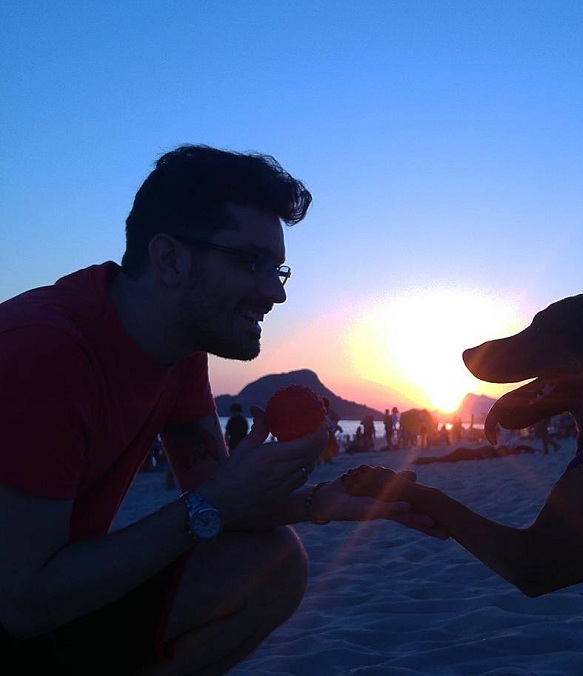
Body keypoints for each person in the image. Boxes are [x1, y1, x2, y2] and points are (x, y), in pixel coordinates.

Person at [0, 144, 440, 674]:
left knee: (273, 561)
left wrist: (323, 501)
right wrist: (214, 499)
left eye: (278, 269)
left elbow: (220, 497)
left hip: (51, 597)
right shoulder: (45, 351)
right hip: (22, 607)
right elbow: (21, 605)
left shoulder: (178, 351)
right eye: (251, 262)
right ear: (170, 259)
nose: (274, 295)